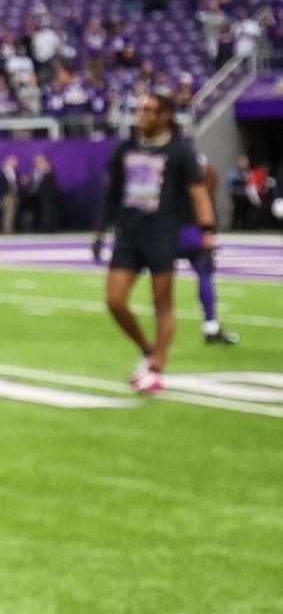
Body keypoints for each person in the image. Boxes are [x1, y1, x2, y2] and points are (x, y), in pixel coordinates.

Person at [93, 93, 221, 394]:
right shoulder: (125, 148)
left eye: (149, 110)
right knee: (114, 300)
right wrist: (100, 231)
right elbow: (111, 194)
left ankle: (158, 364)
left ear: (165, 115)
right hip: (128, 231)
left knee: (162, 302)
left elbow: (198, 193)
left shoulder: (180, 151)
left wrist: (207, 229)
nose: (142, 115)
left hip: (162, 232)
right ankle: (148, 348)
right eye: (139, 109)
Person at [175, 155, 238, 346]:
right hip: (192, 228)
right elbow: (205, 190)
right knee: (204, 274)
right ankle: (211, 326)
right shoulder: (189, 159)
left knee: (162, 277)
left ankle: (164, 329)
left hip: (168, 228)